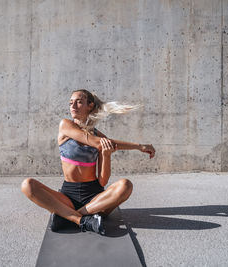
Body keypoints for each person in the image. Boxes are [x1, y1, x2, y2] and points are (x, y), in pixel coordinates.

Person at [21, 89, 155, 235]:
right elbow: (95, 142)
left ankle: (68, 216)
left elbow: (103, 181)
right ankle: (82, 220)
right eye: (71, 102)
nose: (73, 106)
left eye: (79, 102)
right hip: (68, 196)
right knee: (27, 185)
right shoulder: (66, 125)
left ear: (90, 105)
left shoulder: (99, 137)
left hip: (95, 198)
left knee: (125, 186)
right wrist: (139, 146)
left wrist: (107, 155)